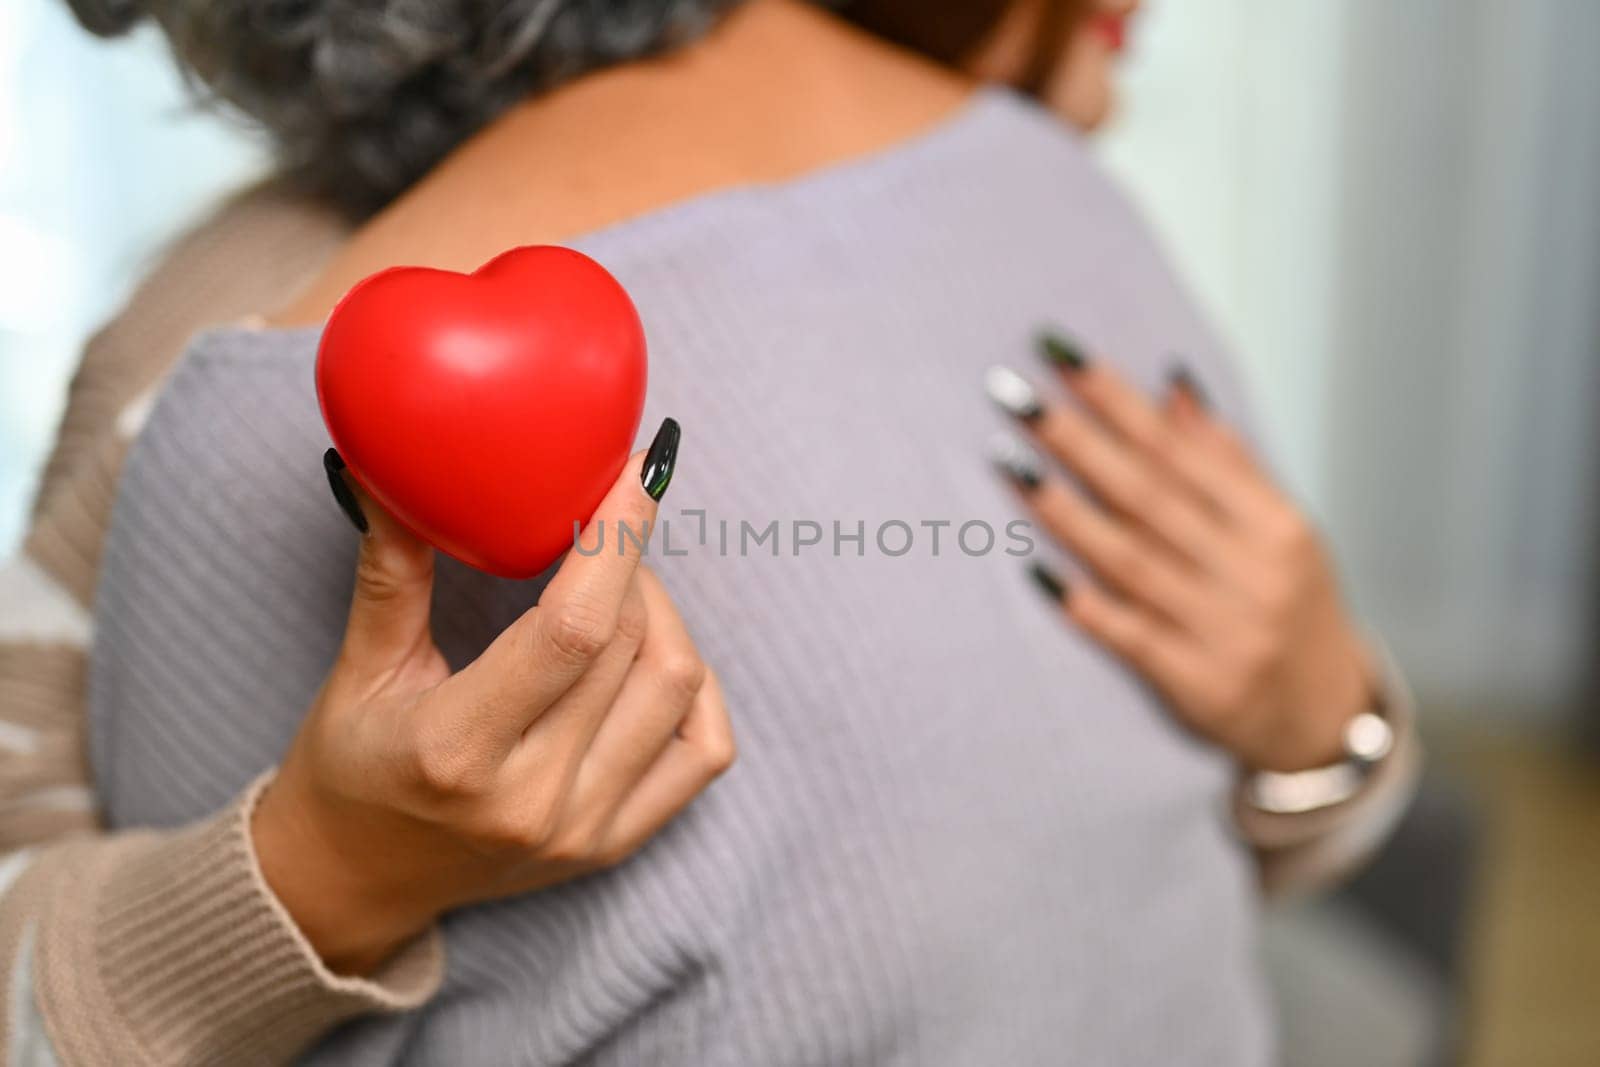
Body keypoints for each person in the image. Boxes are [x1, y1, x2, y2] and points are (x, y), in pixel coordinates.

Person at [0, 0, 1419, 1061]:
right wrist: (317, 874)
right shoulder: (223, 390)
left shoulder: (1048, 197)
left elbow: (1093, 877)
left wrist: (1326, 729)